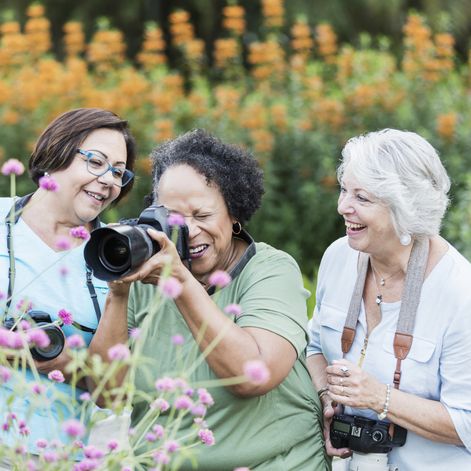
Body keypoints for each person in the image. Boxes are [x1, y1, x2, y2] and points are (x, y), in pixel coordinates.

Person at [102, 129, 329, 470]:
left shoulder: (270, 270)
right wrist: (118, 292)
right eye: (174, 218)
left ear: (234, 214)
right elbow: (107, 392)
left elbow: (254, 375)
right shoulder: (145, 276)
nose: (188, 230)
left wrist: (180, 280)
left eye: (203, 216)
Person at [307, 129, 471, 470]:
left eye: (362, 198)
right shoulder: (338, 257)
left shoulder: (460, 293)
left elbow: (466, 423)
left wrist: (380, 398)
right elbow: (315, 348)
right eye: (344, 190)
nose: (342, 207)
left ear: (405, 208)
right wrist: (327, 399)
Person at [0, 108, 136, 458]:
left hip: (63, 458)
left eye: (119, 172)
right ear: (56, 151)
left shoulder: (115, 254)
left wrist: (66, 363)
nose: (108, 180)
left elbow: (114, 390)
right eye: (96, 162)